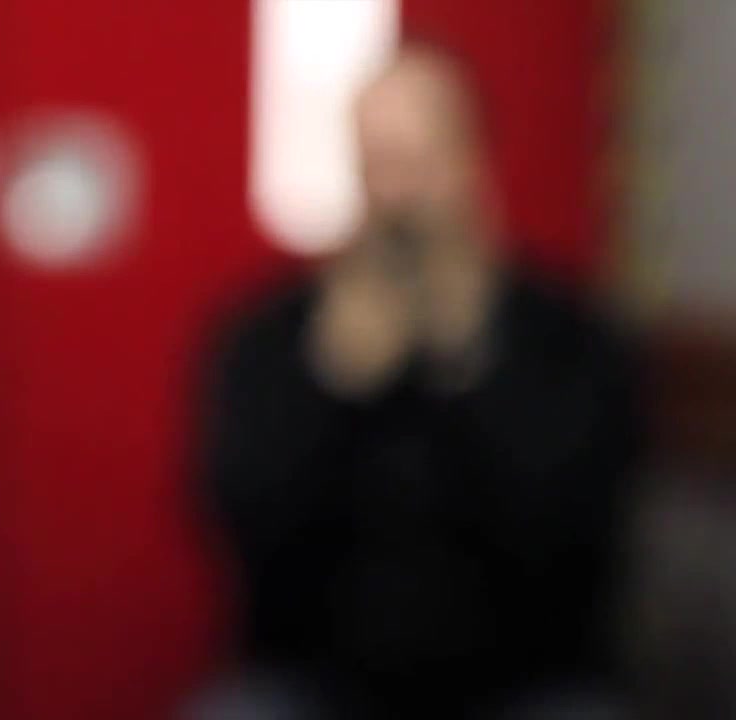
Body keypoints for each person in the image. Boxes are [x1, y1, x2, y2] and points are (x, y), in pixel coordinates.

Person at [193, 40, 642, 719]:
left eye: (422, 161)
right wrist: (333, 382)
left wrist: (473, 366)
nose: (400, 193)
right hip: (317, 681)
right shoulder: (272, 334)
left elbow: (578, 535)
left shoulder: (568, 334)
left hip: (524, 679)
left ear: (473, 161)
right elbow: (243, 528)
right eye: (380, 163)